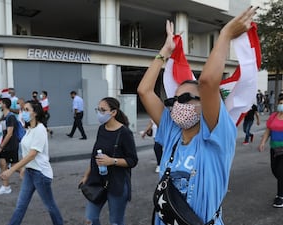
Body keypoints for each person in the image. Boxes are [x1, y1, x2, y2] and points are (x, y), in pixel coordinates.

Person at [137, 7, 257, 225]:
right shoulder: (172, 131)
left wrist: (226, 35)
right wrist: (164, 51)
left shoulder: (217, 135)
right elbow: (144, 91)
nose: (176, 106)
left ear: (206, 104)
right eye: (173, 101)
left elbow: (208, 82)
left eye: (185, 99)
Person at [0, 100, 63, 225]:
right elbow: (26, 151)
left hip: (41, 174)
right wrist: (23, 168)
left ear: (35, 113)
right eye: (23, 110)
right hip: (30, 172)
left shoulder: (40, 129)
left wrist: (11, 170)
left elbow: (32, 154)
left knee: (50, 206)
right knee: (20, 206)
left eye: (27, 110)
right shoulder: (29, 129)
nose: (23, 112)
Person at [79, 97, 138, 225]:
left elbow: (132, 160)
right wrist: (86, 175)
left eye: (103, 110)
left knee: (115, 222)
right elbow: (95, 154)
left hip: (117, 184)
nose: (99, 113)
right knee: (90, 219)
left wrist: (112, 161)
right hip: (98, 182)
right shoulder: (101, 129)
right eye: (98, 109)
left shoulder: (124, 133)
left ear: (113, 112)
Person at [258, 96, 283, 208]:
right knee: (274, 170)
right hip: (274, 149)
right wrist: (263, 142)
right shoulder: (273, 116)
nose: (281, 105)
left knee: (280, 172)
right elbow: (268, 130)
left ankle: (280, 197)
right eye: (280, 103)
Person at [0, 98, 19, 195]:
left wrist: (0, 146)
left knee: (15, 166)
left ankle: (31, 176)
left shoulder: (10, 117)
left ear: (4, 104)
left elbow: (9, 134)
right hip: (5, 145)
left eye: (0, 103)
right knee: (3, 164)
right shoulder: (4, 117)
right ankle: (6, 187)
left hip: (11, 145)